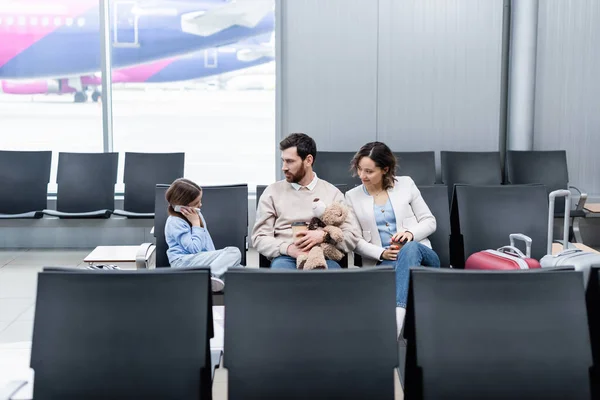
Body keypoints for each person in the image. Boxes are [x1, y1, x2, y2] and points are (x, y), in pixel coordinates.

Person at [345, 142, 440, 334]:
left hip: (423, 257)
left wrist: (410, 234)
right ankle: (401, 326)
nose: (362, 176)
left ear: (385, 169)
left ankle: (397, 319)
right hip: (384, 263)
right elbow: (354, 241)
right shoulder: (352, 197)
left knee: (410, 248)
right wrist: (382, 253)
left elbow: (430, 221)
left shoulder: (406, 184)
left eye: (369, 171)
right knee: (400, 263)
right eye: (360, 169)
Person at [252, 133, 361, 269]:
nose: (284, 167)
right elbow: (259, 237)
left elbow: (352, 236)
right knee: (282, 275)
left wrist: (325, 236)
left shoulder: (332, 193)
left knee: (331, 278)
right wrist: (288, 248)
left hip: (324, 257)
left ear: (308, 160)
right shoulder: (272, 192)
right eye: (283, 161)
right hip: (286, 257)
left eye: (290, 161)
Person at [164, 178, 242, 291]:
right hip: (183, 264)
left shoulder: (196, 215)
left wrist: (217, 260)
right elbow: (194, 249)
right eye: (196, 203)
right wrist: (195, 224)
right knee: (234, 252)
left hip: (200, 262)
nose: (200, 204)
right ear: (182, 206)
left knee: (238, 269)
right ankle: (208, 279)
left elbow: (207, 245)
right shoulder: (175, 222)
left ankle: (213, 279)